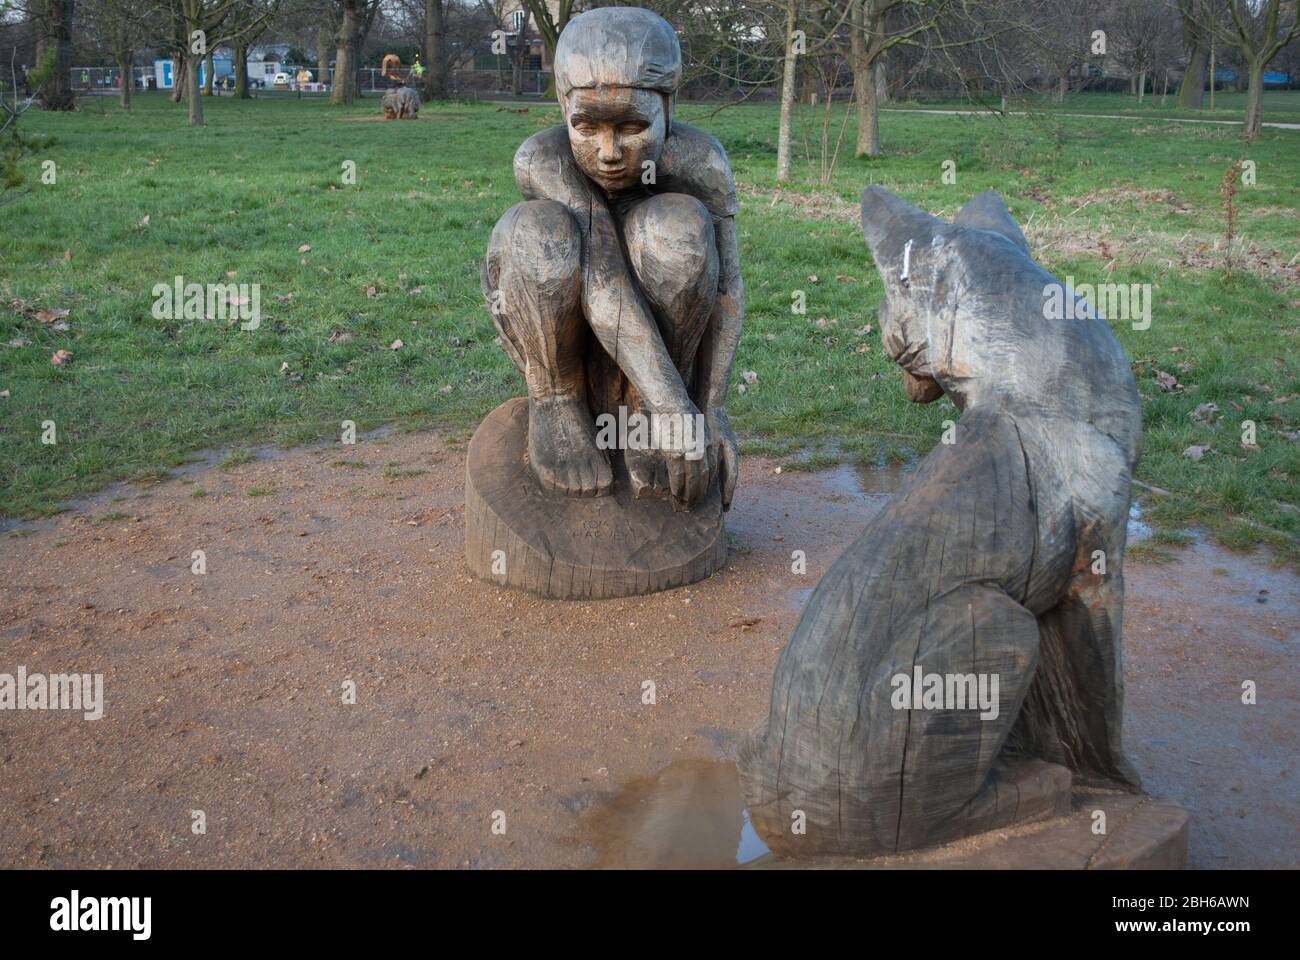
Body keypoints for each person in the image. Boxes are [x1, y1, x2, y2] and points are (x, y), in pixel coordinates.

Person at [481, 8, 743, 510]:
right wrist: (677, 407)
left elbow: (728, 291)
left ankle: (642, 409)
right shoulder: (543, 159)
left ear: (669, 103)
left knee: (679, 228)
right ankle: (556, 401)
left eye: (632, 125)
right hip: (568, 329)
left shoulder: (700, 163)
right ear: (563, 106)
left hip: (662, 369)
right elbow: (603, 282)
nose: (608, 152)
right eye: (586, 126)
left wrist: (711, 409)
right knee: (538, 233)